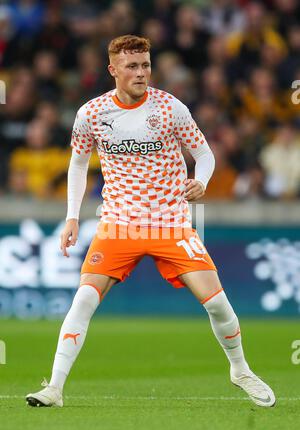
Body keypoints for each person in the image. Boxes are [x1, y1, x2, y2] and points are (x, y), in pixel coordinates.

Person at [26, 35, 275, 408]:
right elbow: (77, 164)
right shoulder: (90, 114)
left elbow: (204, 154)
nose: (141, 72)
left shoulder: (170, 108)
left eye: (145, 64)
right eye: (132, 66)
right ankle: (55, 387)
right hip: (118, 222)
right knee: (83, 300)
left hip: (170, 222)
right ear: (113, 70)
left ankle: (239, 369)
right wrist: (72, 217)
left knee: (218, 304)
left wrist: (201, 181)